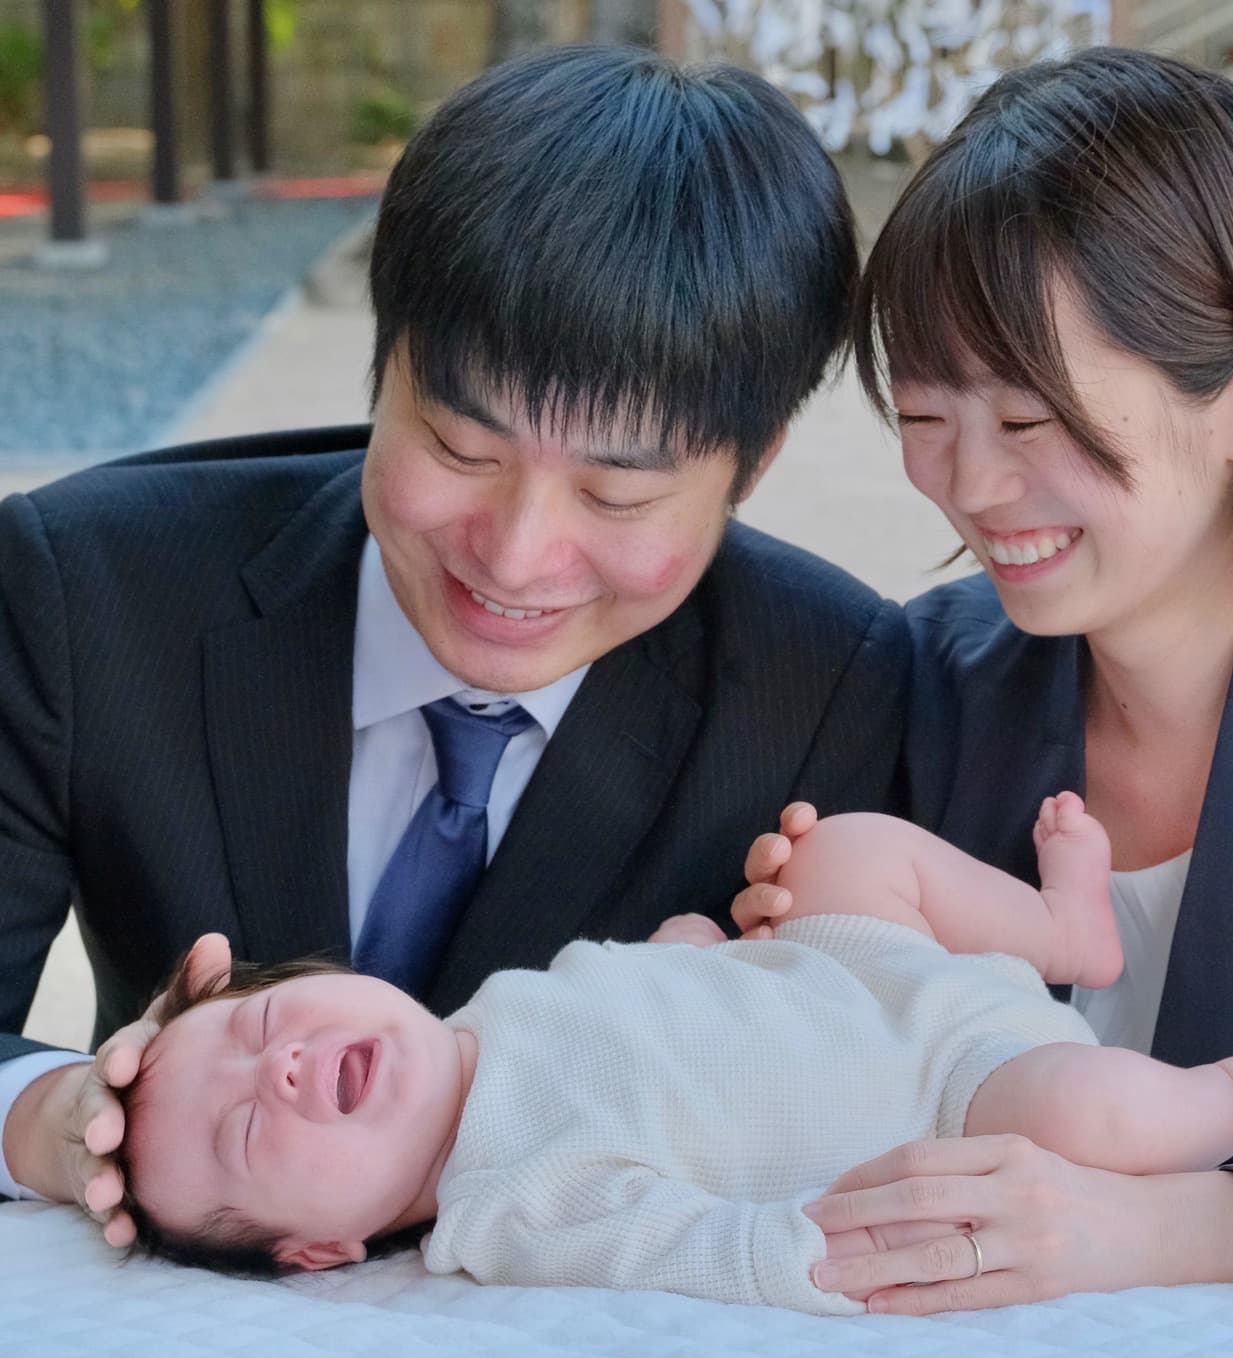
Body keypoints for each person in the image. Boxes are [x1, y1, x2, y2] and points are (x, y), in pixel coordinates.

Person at [0, 48, 908, 1243]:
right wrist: (52, 1118)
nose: (517, 558)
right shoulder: (89, 590)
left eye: (618, 496)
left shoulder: (827, 684)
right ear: (384, 367)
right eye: (460, 450)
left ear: (754, 465)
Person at [733, 45, 1233, 1315]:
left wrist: (1202, 1221)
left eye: (1030, 420)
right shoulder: (924, 685)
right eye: (926, 418)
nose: (971, 484)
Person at [118, 799, 1233, 1315]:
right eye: (247, 1128)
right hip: (953, 1093)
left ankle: (1062, 929)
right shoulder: (512, 1203)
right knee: (1089, 1112)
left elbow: (629, 997)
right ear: (321, 1251)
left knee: (840, 851)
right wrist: (815, 1261)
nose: (281, 1069)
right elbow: (690, 1245)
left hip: (855, 971)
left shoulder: (486, 1010)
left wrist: (695, 946)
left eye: (266, 1023)